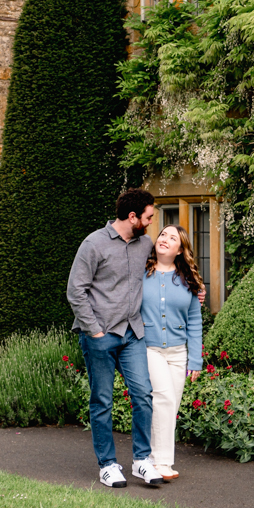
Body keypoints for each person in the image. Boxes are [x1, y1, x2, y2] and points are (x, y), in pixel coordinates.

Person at [67, 188, 164, 488]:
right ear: (132, 216)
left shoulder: (144, 243)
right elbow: (76, 290)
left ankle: (141, 461)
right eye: (148, 217)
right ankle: (108, 465)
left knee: (143, 396)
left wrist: (195, 289)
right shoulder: (93, 244)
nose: (151, 223)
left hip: (132, 334)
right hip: (101, 335)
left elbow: (169, 265)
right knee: (102, 401)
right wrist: (94, 330)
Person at [141, 225, 203, 481]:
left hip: (179, 353)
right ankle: (160, 462)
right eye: (162, 234)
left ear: (180, 250)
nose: (165, 239)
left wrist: (196, 361)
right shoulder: (141, 272)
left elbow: (195, 321)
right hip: (150, 349)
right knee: (163, 398)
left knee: (170, 405)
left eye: (172, 238)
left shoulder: (189, 280)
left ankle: (156, 458)